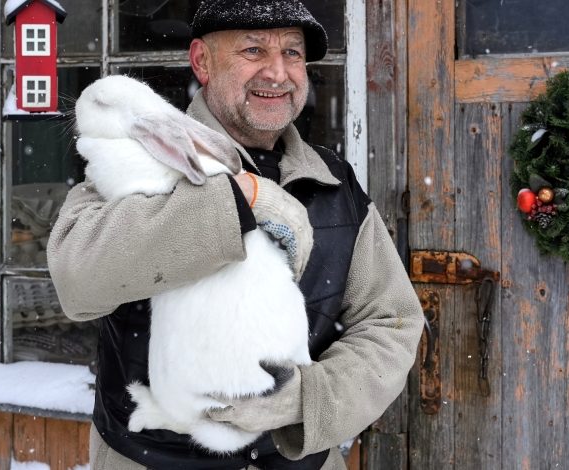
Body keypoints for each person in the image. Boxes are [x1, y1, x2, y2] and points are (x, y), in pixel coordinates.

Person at [47, 0, 423, 469]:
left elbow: (390, 322)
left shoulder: (333, 182)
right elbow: (77, 277)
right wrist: (237, 201)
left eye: (292, 53)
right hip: (151, 460)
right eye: (253, 50)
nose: (277, 72)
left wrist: (304, 401)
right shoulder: (137, 160)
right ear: (202, 61)